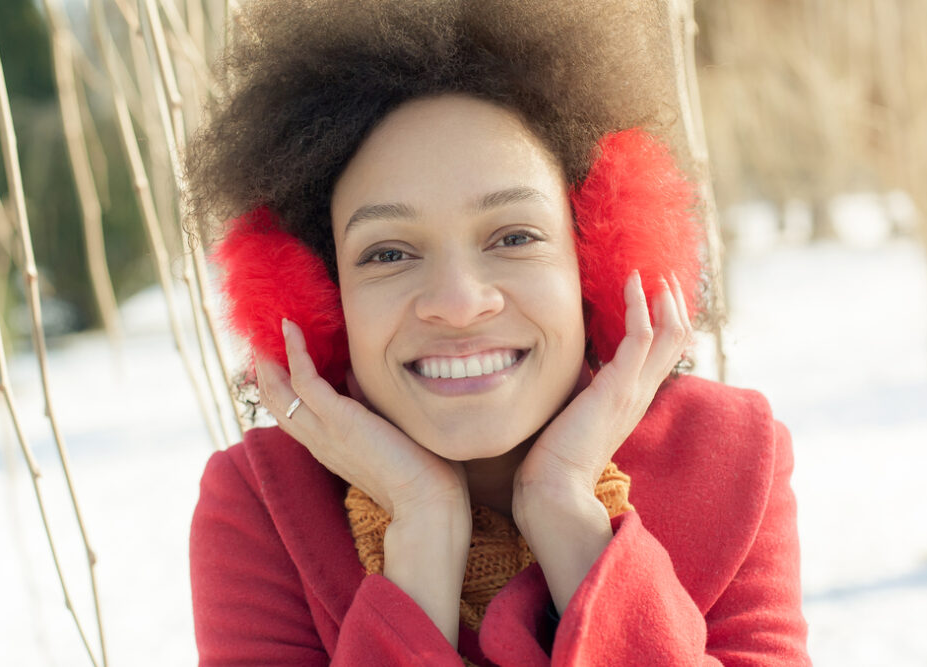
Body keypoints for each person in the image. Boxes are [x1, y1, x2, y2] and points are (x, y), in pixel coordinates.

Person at [186, 1, 810, 665]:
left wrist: (568, 508)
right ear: (320, 296)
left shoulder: (732, 459)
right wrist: (420, 525)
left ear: (599, 259)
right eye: (388, 252)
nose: (457, 303)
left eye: (513, 237)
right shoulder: (261, 507)